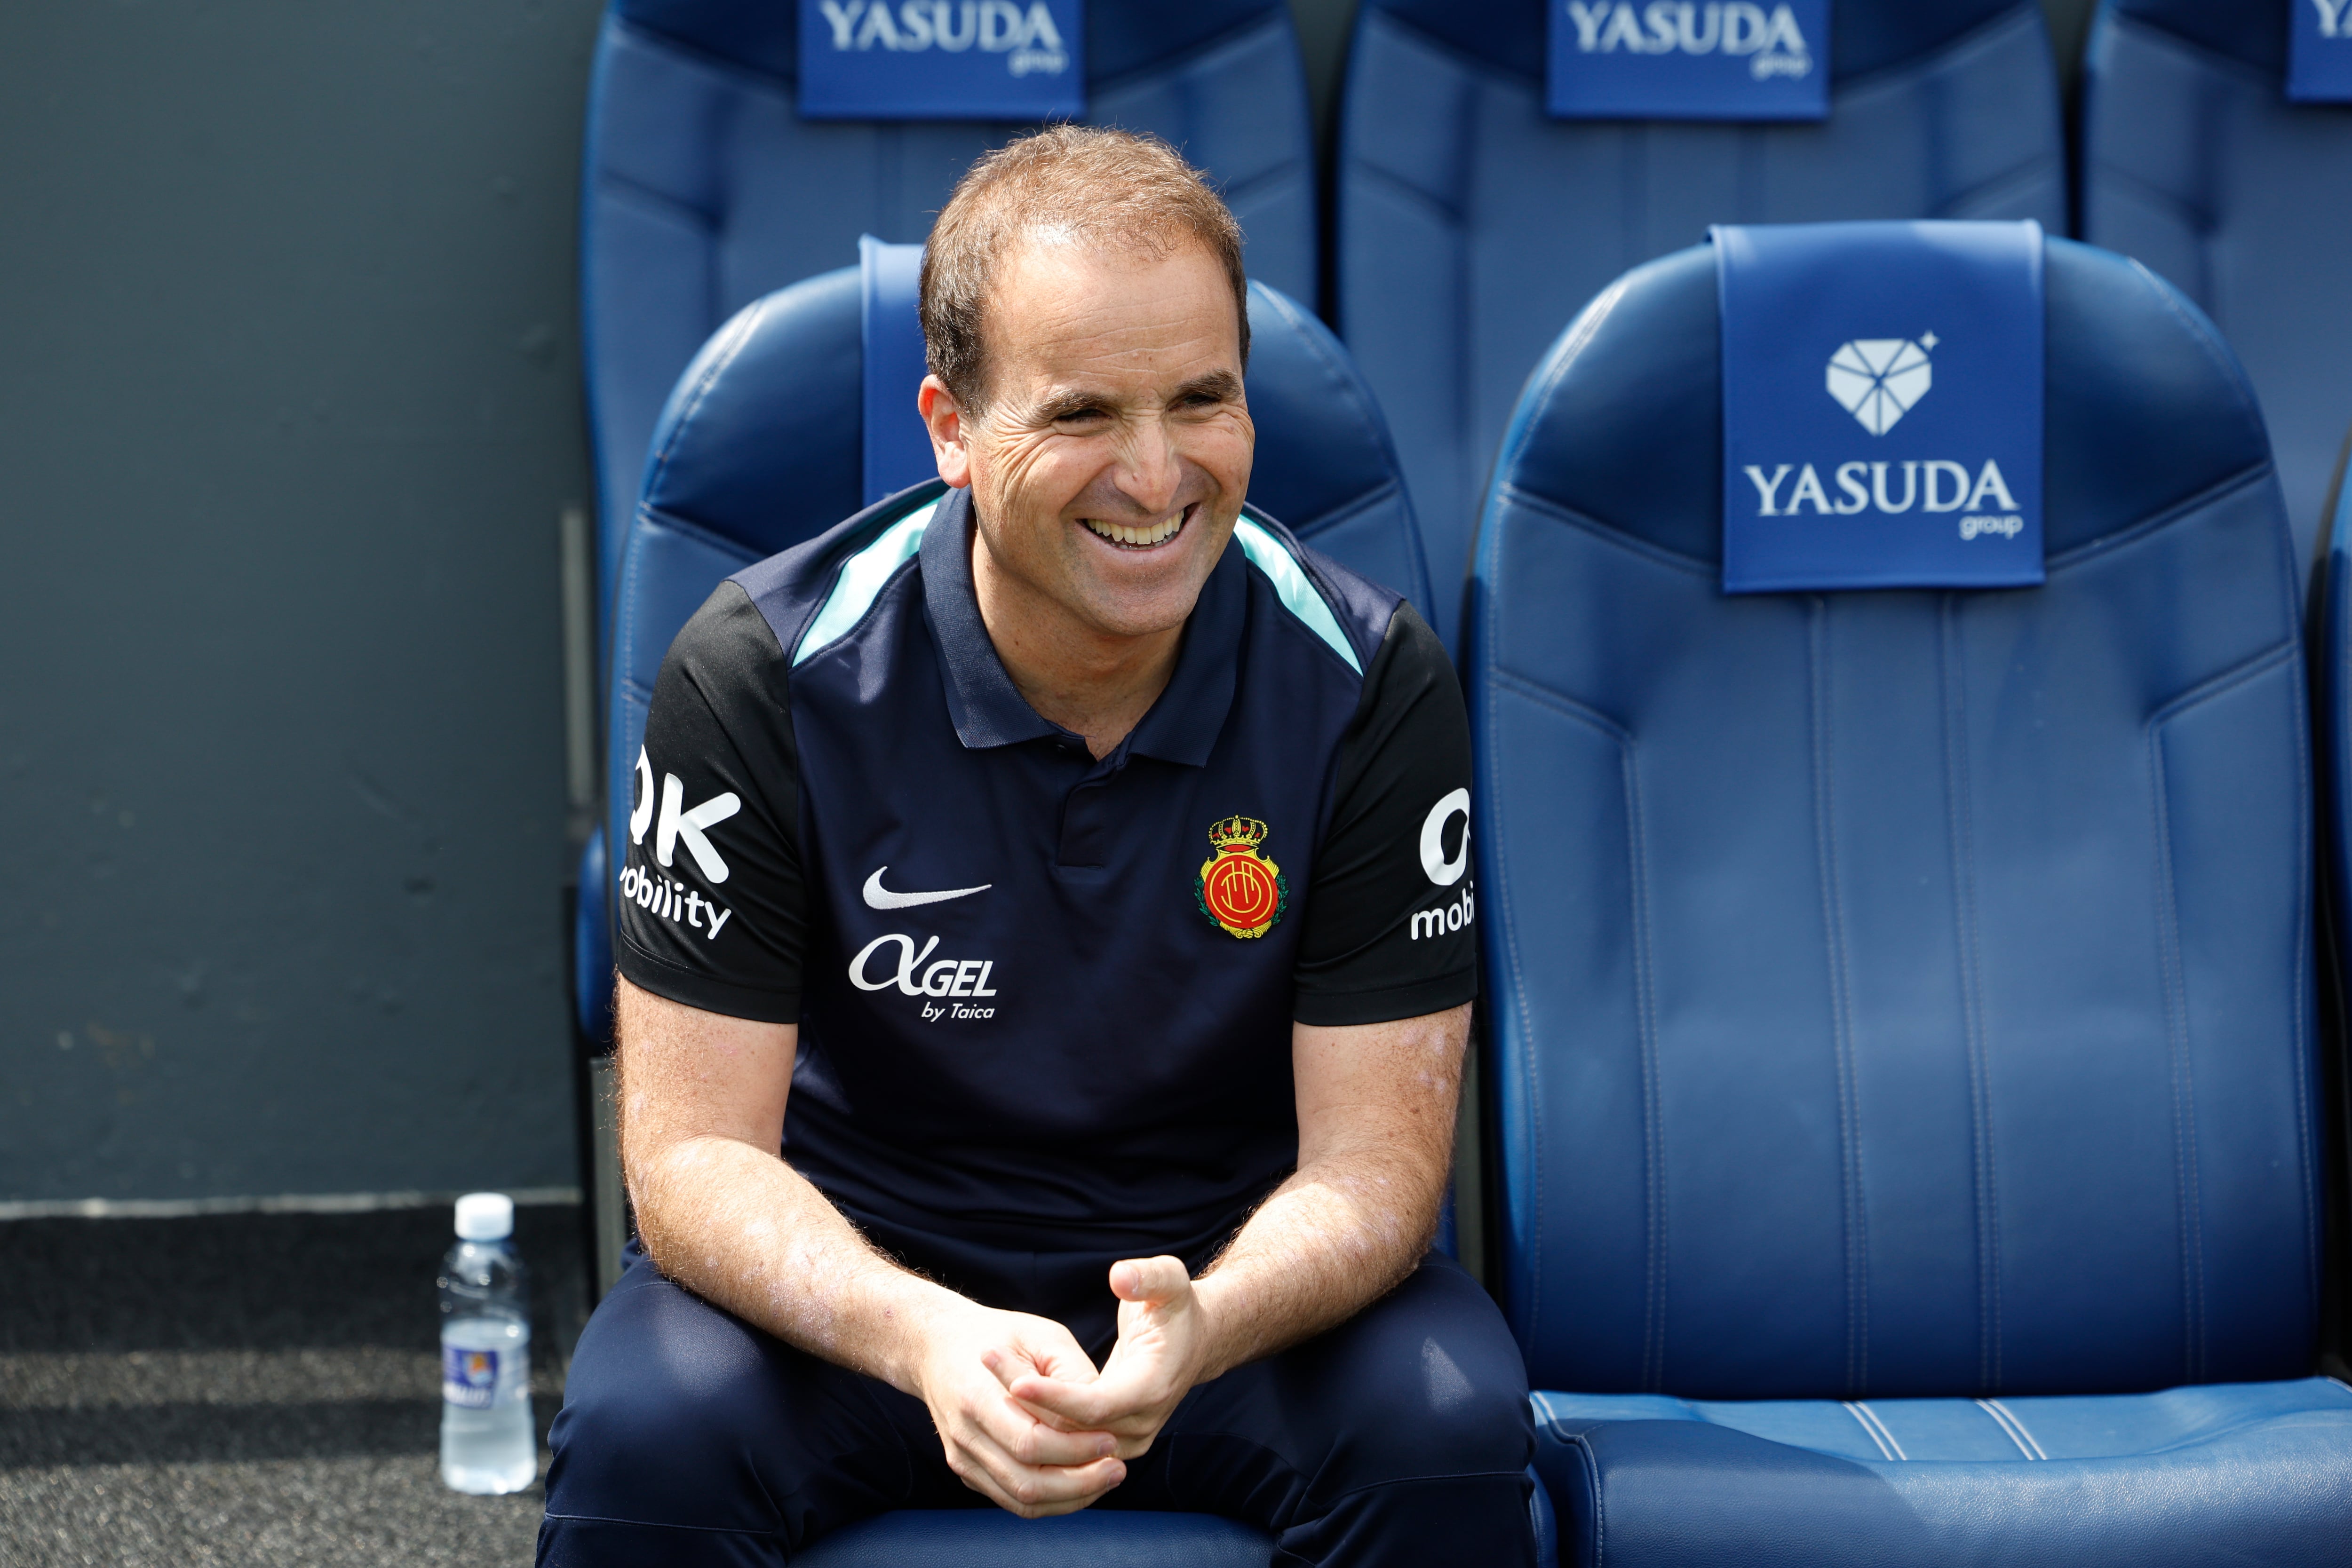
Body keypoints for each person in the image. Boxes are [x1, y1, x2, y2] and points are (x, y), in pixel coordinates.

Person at [539, 125, 1533, 1567]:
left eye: (1203, 399)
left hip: (1228, 1294)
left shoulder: (1370, 681)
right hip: (862, 1289)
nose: (1154, 475)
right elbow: (692, 1157)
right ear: (950, 428)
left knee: (1442, 1418)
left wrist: (1204, 1325)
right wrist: (925, 1336)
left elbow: (1377, 1174)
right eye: (1081, 414)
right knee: (650, 1432)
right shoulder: (759, 669)